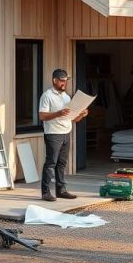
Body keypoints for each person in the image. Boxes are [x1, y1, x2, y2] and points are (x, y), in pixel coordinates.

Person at [37, 68, 88, 202]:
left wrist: (81, 115)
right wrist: (58, 113)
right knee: (51, 163)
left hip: (66, 133)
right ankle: (45, 192)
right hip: (53, 134)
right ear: (54, 80)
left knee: (62, 163)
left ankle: (61, 190)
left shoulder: (67, 97)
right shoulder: (47, 95)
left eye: (66, 81)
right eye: (62, 81)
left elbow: (72, 118)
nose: (64, 84)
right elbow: (42, 116)